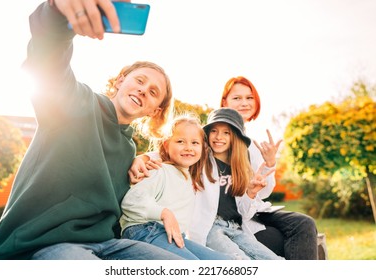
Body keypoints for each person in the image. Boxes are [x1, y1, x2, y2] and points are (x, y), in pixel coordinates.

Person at [0, 0, 182, 260]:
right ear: (121, 80)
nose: (142, 90)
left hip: (107, 245)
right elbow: (47, 60)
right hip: (42, 242)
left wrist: (138, 162)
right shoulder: (76, 103)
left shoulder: (129, 148)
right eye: (139, 80)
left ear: (153, 111)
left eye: (152, 92)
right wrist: (57, 11)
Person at [129, 109, 283, 260]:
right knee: (240, 262)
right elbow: (169, 151)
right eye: (214, 131)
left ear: (234, 137)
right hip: (211, 227)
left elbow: (245, 211)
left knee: (273, 260)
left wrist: (252, 191)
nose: (218, 137)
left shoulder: (240, 167)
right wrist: (142, 159)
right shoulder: (200, 158)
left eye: (226, 133)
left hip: (236, 227)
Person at [220, 76, 318, 259]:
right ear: (224, 102)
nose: (244, 103)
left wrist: (270, 164)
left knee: (304, 224)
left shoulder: (253, 145)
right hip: (234, 217)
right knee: (279, 239)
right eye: (237, 98)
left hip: (257, 211)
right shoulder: (217, 140)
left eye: (249, 98)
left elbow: (263, 193)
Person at [120, 115, 233, 260]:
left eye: (195, 143)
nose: (188, 148)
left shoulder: (189, 176)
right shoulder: (158, 169)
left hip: (172, 235)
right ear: (167, 145)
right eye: (180, 141)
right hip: (144, 231)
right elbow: (131, 201)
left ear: (203, 148)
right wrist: (164, 213)